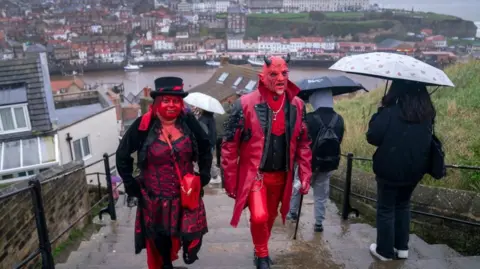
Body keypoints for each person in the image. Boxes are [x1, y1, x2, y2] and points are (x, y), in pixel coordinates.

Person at [221, 55, 312, 269]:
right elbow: (229, 145)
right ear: (263, 76)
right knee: (260, 216)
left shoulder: (298, 105)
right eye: (274, 74)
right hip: (256, 175)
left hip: (282, 175)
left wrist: (306, 174)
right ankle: (262, 254)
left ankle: (260, 247)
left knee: (270, 216)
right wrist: (230, 180)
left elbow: (304, 143)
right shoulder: (243, 104)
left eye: (284, 73)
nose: (280, 78)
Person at [116, 77, 213, 269]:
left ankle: (186, 250)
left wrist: (204, 174)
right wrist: (130, 183)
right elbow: (122, 154)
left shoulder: (189, 122)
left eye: (176, 101)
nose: (171, 105)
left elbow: (205, 146)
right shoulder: (142, 126)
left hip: (185, 195)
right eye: (166, 100)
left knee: (192, 236)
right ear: (157, 102)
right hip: (155, 197)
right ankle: (167, 264)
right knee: (161, 235)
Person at [366, 80, 435, 261]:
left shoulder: (390, 112)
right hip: (415, 170)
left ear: (396, 90)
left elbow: (372, 137)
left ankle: (385, 251)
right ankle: (402, 248)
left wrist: (381, 110)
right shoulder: (427, 114)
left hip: (389, 170)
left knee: (386, 208)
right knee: (403, 205)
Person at [287, 89, 344, 233]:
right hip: (328, 163)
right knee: (321, 194)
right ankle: (319, 222)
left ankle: (293, 212)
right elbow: (340, 140)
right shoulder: (339, 119)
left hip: (308, 163)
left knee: (299, 187)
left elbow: (300, 139)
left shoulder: (309, 118)